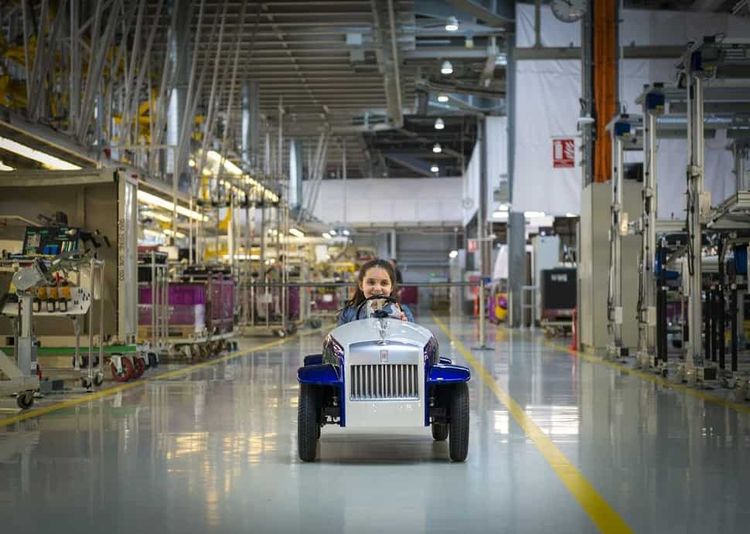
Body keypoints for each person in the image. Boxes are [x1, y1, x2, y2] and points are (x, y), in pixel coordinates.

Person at [337, 258, 414, 325]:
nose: (377, 288)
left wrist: (404, 329)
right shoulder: (347, 314)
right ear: (361, 285)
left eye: (384, 283)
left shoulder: (404, 312)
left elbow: (412, 339)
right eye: (371, 282)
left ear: (391, 287)